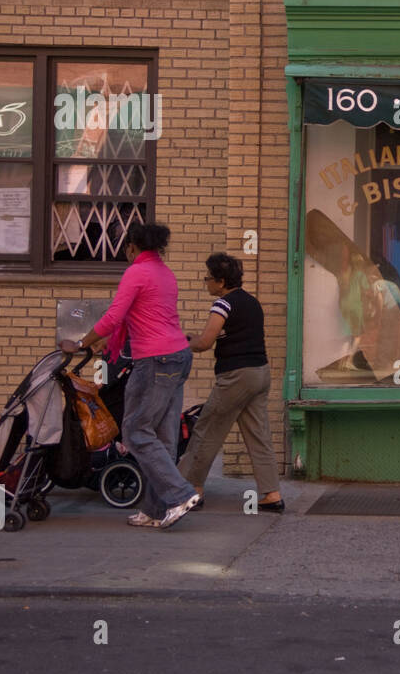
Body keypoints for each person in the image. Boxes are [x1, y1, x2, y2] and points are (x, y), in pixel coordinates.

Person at [61, 223, 198, 528]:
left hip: (155, 360)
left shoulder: (137, 273)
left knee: (135, 432)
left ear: (132, 247)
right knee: (163, 438)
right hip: (178, 357)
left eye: (126, 248)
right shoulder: (165, 273)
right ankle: (155, 509)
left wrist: (80, 343)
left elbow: (113, 316)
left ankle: (179, 494)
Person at [178, 252, 283, 512]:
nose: (206, 283)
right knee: (259, 435)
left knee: (206, 428)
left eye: (208, 279)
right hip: (260, 373)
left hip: (236, 376)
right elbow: (236, 334)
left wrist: (180, 342)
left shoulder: (222, 305)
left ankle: (191, 489)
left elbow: (204, 343)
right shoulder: (252, 302)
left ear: (221, 281)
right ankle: (271, 494)